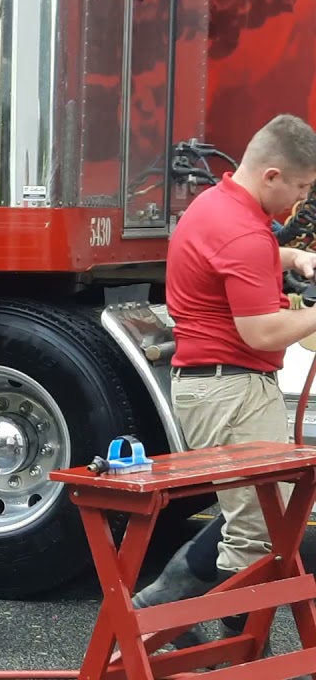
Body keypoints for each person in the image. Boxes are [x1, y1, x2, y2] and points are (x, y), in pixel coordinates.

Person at [132, 113, 316, 651]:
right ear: (273, 175)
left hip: (217, 387)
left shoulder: (218, 206)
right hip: (232, 390)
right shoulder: (241, 229)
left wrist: (291, 255)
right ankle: (226, 647)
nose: (299, 202)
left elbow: (240, 257)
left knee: (260, 524)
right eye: (301, 187)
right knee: (260, 536)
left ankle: (175, 613)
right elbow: (260, 331)